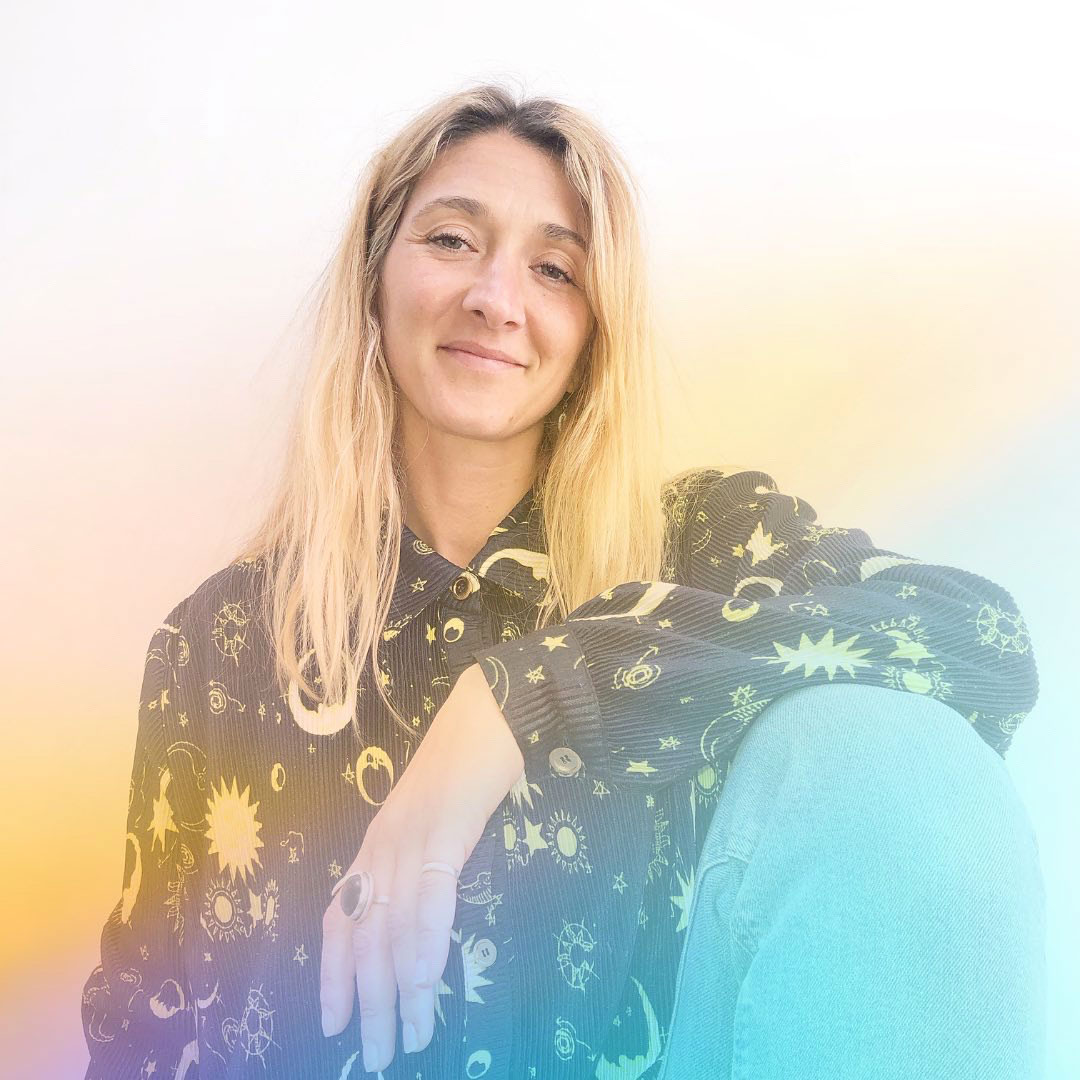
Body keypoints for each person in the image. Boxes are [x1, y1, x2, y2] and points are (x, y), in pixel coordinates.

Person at [81, 83, 1041, 1079]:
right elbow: (141, 1039)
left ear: (592, 333)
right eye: (453, 240)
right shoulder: (216, 646)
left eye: (554, 269)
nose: (497, 299)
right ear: (373, 278)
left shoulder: (703, 543)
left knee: (886, 736)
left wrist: (527, 696)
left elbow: (978, 639)